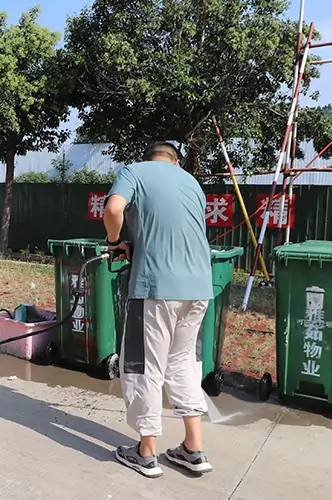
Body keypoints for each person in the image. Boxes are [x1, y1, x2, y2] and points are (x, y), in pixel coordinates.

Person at [102, 141, 214, 478]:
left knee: (143, 366)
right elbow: (175, 233)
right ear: (176, 162)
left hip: (154, 289)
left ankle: (146, 452)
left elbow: (113, 209)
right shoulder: (192, 183)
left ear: (147, 158)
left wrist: (113, 242)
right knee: (183, 365)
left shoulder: (133, 172)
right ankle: (193, 448)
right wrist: (136, 243)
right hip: (198, 288)